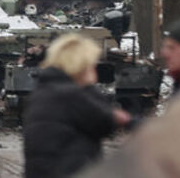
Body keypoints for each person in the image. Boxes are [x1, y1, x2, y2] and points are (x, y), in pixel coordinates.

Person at [23, 33, 131, 178]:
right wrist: (89, 87)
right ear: (80, 65)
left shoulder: (45, 91)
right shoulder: (71, 95)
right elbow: (105, 122)